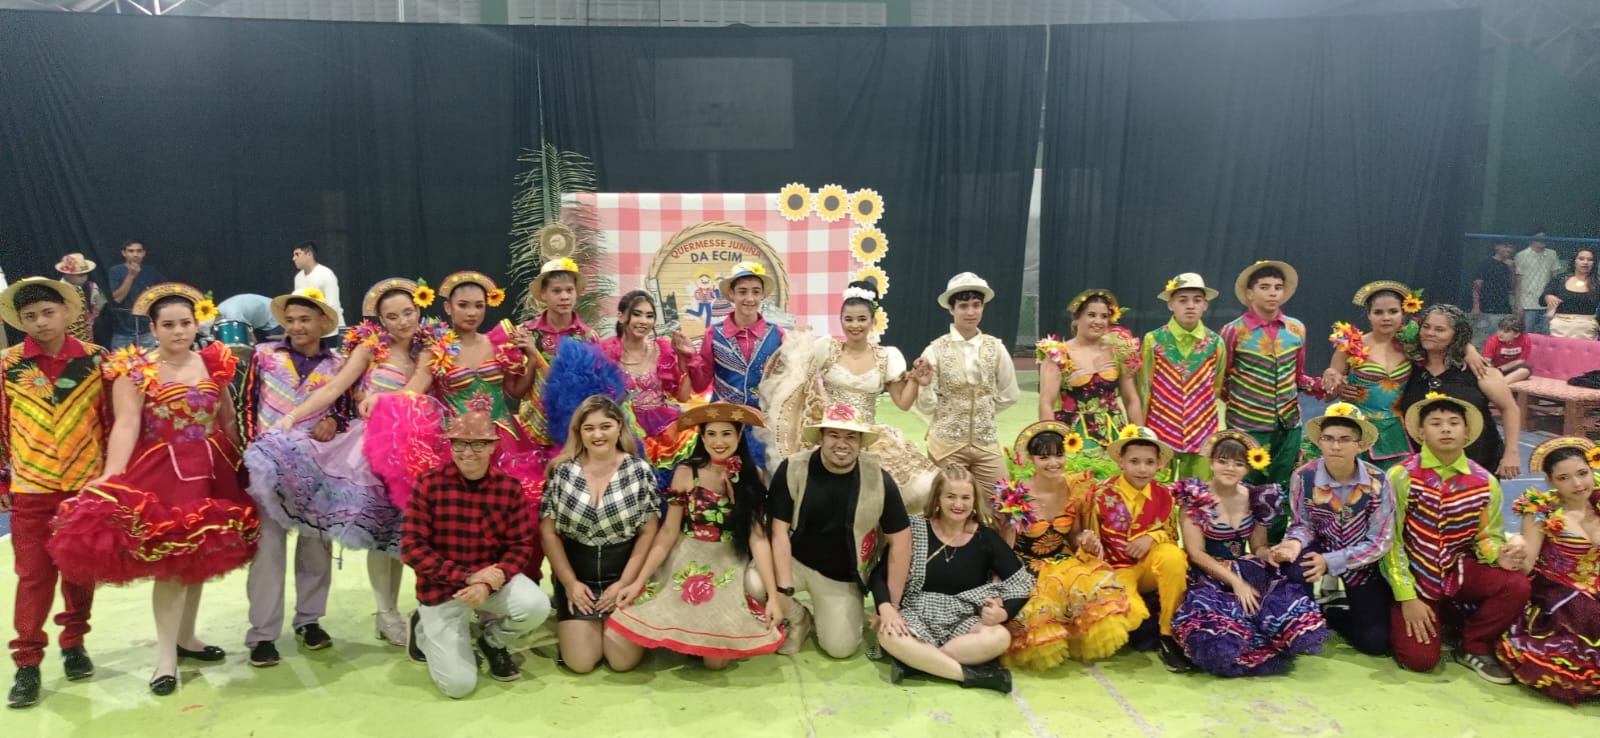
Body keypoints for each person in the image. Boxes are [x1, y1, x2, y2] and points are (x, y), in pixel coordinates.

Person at [47, 283, 258, 697]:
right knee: (173, 567)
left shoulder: (214, 362)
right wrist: (112, 473)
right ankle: (165, 660)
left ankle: (186, 638)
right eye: (169, 325)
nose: (179, 331)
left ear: (196, 323)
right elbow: (126, 425)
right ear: (154, 328)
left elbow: (226, 419)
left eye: (185, 323)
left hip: (213, 468)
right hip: (165, 473)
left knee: (200, 557)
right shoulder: (135, 370)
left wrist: (243, 461)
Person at [240, 287, 387, 667]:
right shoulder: (263, 356)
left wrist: (333, 420)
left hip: (318, 470)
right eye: (290, 320)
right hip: (268, 468)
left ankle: (309, 620)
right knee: (268, 550)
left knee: (316, 547)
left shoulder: (339, 364)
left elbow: (347, 410)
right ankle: (263, 635)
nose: (296, 326)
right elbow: (246, 406)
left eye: (305, 319)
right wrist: (252, 454)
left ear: (323, 322)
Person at [607, 403, 785, 666]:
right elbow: (668, 532)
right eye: (711, 434)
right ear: (702, 437)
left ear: (739, 436)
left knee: (715, 663)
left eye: (726, 433)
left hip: (726, 563)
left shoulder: (752, 475)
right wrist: (638, 582)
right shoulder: (686, 472)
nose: (718, 441)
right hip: (684, 558)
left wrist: (773, 597)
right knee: (622, 658)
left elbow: (757, 538)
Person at [1, 278, 107, 709]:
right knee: (34, 577)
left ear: (66, 312)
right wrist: (2, 480)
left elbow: (111, 420)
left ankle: (74, 642)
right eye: (30, 317)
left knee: (80, 572)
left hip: (85, 487)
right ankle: (27, 662)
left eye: (48, 312)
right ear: (20, 322)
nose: (41, 322)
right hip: (31, 489)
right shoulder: (7, 365)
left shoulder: (97, 360)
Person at [1381, 394, 1530, 683]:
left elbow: (1487, 535)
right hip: (1414, 575)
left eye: (1453, 423)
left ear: (1467, 431)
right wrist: (1407, 596)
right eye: (1436, 423)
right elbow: (1390, 541)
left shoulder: (1484, 481)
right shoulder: (1401, 476)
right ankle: (1421, 614)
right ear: (1421, 433)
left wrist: (1500, 554)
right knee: (1420, 660)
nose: (1446, 429)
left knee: (1516, 584)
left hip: (1456, 572)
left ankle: (1475, 644)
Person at [402, 410, 551, 698]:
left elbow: (521, 545)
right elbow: (412, 548)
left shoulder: (509, 488)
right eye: (459, 443)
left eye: (478, 444)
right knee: (458, 686)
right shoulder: (428, 484)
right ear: (450, 445)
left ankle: (493, 640)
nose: (468, 452)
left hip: (488, 583)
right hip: (441, 588)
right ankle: (421, 624)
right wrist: (468, 577)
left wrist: (489, 582)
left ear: (493, 446)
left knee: (536, 606)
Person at [761, 279, 937, 510]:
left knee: (882, 498)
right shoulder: (827, 349)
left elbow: (903, 403)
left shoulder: (887, 356)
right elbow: (798, 375)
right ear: (841, 320)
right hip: (830, 436)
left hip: (866, 437)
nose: (855, 325)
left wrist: (915, 380)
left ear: (873, 321)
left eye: (862, 319)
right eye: (849, 319)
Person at [1170, 430, 1328, 677]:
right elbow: (1196, 553)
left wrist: (1273, 554)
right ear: (1211, 462)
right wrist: (1236, 583)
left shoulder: (1258, 497)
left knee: (1288, 617)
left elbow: (1258, 547)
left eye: (1238, 463)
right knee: (1217, 634)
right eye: (1222, 461)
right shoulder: (1195, 497)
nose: (1229, 468)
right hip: (1208, 573)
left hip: (1246, 567)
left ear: (1248, 466)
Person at [764, 403, 912, 658]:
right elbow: (778, 531)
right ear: (821, 438)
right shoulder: (792, 468)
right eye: (833, 435)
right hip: (795, 562)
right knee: (754, 582)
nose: (842, 444)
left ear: (860, 442)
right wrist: (784, 589)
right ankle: (798, 618)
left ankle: (819, 617)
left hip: (842, 576)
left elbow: (901, 541)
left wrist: (891, 605)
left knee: (840, 649)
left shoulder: (880, 481)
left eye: (851, 437)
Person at [387, 272, 543, 511]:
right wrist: (387, 402)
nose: (472, 313)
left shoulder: (499, 342)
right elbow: (419, 382)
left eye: (479, 306)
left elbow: (516, 391)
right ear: (448, 307)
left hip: (502, 437)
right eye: (463, 305)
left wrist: (531, 357)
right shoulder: (437, 348)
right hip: (457, 442)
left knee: (508, 506)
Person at [996, 421, 1146, 669]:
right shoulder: (1015, 494)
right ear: (1031, 459)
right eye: (1044, 457)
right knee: (1039, 608)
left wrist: (1084, 539)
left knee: (1093, 589)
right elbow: (1004, 548)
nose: (1053, 463)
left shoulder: (1076, 488)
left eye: (1059, 455)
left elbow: (1073, 535)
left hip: (1063, 560)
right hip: (1025, 563)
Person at [871, 465, 1030, 694]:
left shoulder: (985, 538)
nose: (958, 504)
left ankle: (918, 662)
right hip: (915, 613)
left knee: (1000, 637)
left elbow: (1021, 582)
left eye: (965, 497)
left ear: (974, 500)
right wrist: (886, 608)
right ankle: (969, 675)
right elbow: (880, 574)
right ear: (937, 498)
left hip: (962, 619)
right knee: (888, 634)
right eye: (950, 496)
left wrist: (1003, 613)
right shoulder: (915, 529)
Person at [539, 395, 660, 674]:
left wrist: (626, 583)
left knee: (621, 662)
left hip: (623, 577)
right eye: (589, 428)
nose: (597, 435)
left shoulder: (639, 471)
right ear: (579, 432)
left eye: (605, 426)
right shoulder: (562, 471)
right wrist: (569, 583)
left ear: (619, 428)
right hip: (578, 578)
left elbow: (648, 532)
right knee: (580, 663)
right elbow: (548, 532)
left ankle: (617, 619)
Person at [1273, 404, 1396, 657]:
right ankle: (1304, 620)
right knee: (1294, 566)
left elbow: (1380, 541)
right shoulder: (1303, 477)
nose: (1335, 446)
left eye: (1344, 439)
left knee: (1375, 643)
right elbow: (1303, 524)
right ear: (1319, 442)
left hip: (1360, 563)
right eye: (1328, 439)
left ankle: (1333, 612)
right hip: (1319, 548)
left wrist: (1331, 562)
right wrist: (1295, 542)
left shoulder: (1379, 481)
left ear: (1360, 445)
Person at [1077, 426, 1192, 672]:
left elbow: (1172, 537)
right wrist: (1088, 544)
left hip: (1149, 568)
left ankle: (1168, 634)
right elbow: (1090, 542)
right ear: (1121, 462)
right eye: (1134, 461)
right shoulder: (1100, 494)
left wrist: (1152, 536)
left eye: (1149, 462)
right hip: (1116, 570)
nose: (1142, 469)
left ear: (1159, 465)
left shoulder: (1164, 495)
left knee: (1173, 557)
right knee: (1130, 618)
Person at [1497, 437, 1600, 705]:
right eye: (1564, 478)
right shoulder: (1540, 512)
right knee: (1589, 613)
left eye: (1582, 473)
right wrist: (1514, 551)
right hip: (1557, 589)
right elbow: (1527, 564)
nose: (1577, 484)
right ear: (1551, 481)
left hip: (1596, 586)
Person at [910, 272, 1021, 499]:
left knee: (1003, 502)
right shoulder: (934, 350)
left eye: (976, 305)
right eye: (963, 306)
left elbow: (1009, 394)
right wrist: (927, 388)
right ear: (951, 309)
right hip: (946, 445)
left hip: (986, 443)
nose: (971, 312)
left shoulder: (996, 348)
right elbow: (926, 406)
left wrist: (983, 412)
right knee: (949, 503)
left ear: (983, 307)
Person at [1220, 261, 1319, 490]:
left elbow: (1297, 376)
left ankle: (1278, 517)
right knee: (1244, 485)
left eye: (1277, 287)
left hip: (1289, 423)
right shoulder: (1234, 331)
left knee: (1282, 486)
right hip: (1247, 424)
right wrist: (1246, 404)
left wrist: (1323, 385)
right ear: (1249, 293)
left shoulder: (1296, 329)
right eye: (1264, 287)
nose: (1272, 293)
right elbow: (1222, 379)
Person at [1399, 305, 1522, 479]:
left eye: (1440, 329)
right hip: (1425, 466)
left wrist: (1511, 453)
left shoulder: (1480, 371)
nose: (1430, 333)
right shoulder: (1408, 369)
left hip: (1479, 461)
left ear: (1456, 335)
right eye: (1426, 327)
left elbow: (1510, 409)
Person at [1319, 281, 1421, 470]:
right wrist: (1334, 382)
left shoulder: (1414, 345)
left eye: (1393, 311)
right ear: (1369, 315)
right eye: (1378, 312)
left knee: (1397, 482)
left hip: (1398, 432)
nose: (1386, 318)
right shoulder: (1351, 345)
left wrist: (1469, 350)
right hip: (1357, 428)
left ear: (1404, 313)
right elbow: (1329, 395)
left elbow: (1448, 337)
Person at [599, 290, 696, 478]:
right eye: (637, 314)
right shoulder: (605, 352)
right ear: (621, 316)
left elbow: (683, 397)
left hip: (665, 427)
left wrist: (685, 358)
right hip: (622, 429)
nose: (644, 321)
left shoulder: (662, 349)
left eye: (650, 316)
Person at [1138, 273, 1225, 481]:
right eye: (1183, 300)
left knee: (1199, 491)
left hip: (1201, 428)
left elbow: (1217, 385)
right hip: (1161, 427)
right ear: (1170, 304)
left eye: (1197, 300)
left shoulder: (1215, 342)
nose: (1190, 306)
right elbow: (1144, 387)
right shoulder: (1154, 340)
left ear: (1205, 305)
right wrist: (1142, 432)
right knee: (1157, 488)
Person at [510, 256, 600, 452]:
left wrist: (535, 353)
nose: (564, 297)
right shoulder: (525, 333)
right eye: (557, 291)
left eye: (569, 290)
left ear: (577, 293)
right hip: (532, 427)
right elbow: (516, 392)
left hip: (573, 430)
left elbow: (587, 390)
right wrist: (531, 357)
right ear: (543, 294)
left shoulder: (587, 337)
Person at [1036, 289, 1143, 452]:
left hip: (1115, 433)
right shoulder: (1058, 354)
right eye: (1091, 315)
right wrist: (1051, 443)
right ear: (1077, 319)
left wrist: (1141, 440)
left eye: (1104, 316)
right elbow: (1046, 403)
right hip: (1073, 437)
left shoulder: (1119, 351)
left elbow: (1131, 399)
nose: (1098, 321)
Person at [686, 261, 785, 406]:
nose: (750, 298)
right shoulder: (714, 334)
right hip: (723, 416)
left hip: (764, 417)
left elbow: (785, 381)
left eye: (756, 292)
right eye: (742, 291)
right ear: (732, 294)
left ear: (762, 295)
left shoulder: (777, 334)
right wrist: (690, 356)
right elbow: (700, 385)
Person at [107, 240, 166, 351]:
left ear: (144, 253)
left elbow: (164, 293)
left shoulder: (151, 271)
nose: (135, 254)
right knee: (120, 361)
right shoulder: (116, 271)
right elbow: (117, 299)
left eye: (139, 251)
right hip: (123, 330)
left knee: (149, 360)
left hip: (146, 329)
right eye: (131, 251)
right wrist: (130, 276)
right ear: (124, 253)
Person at [1542, 248, 1598, 339]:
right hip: (1559, 328)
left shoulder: (1597, 283)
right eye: (1581, 259)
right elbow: (1542, 299)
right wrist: (1547, 297)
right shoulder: (1559, 279)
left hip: (1587, 330)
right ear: (1574, 261)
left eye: (1590, 260)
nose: (1585, 262)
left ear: (1594, 263)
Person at [1514, 229, 1561, 335]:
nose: (1542, 240)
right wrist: (1518, 305)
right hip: (1528, 303)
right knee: (1527, 334)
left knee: (1547, 334)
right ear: (1531, 239)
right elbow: (1518, 283)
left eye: (1544, 238)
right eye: (1539, 238)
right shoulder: (1521, 255)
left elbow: (1555, 278)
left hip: (1547, 302)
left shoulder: (1552, 254)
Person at [290, 241, 344, 330]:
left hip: (332, 328)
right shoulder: (298, 277)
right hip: (311, 329)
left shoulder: (326, 274)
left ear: (309, 254)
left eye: (297, 254)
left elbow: (332, 305)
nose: (294, 258)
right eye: (293, 255)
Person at [1471, 240, 1516, 344]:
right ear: (1497, 247)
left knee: (1501, 342)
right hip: (1485, 308)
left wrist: (1512, 269)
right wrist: (1476, 306)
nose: (1509, 249)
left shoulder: (1510, 265)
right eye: (1505, 246)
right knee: (1481, 340)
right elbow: (1476, 287)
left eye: (1511, 247)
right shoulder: (1486, 263)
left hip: (1504, 309)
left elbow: (1513, 286)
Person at [53, 253, 104, 345]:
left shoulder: (88, 286)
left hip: (87, 338)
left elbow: (101, 298)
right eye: (80, 275)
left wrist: (96, 310)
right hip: (66, 341)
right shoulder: (57, 292)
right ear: (67, 274)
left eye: (85, 274)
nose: (84, 278)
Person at [214, 293, 283, 343]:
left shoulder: (234, 315)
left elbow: (252, 340)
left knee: (276, 353)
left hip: (274, 316)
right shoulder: (219, 309)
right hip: (261, 318)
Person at [1482, 317, 1532, 384]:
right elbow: (1486, 360)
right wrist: (1494, 370)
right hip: (1494, 368)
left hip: (1512, 368)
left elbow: (1521, 360)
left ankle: (1499, 384)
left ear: (1516, 334)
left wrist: (1502, 368)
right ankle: (1497, 383)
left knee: (1526, 370)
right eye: (1500, 330)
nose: (1501, 334)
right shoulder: (1492, 340)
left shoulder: (1525, 340)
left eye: (1506, 332)